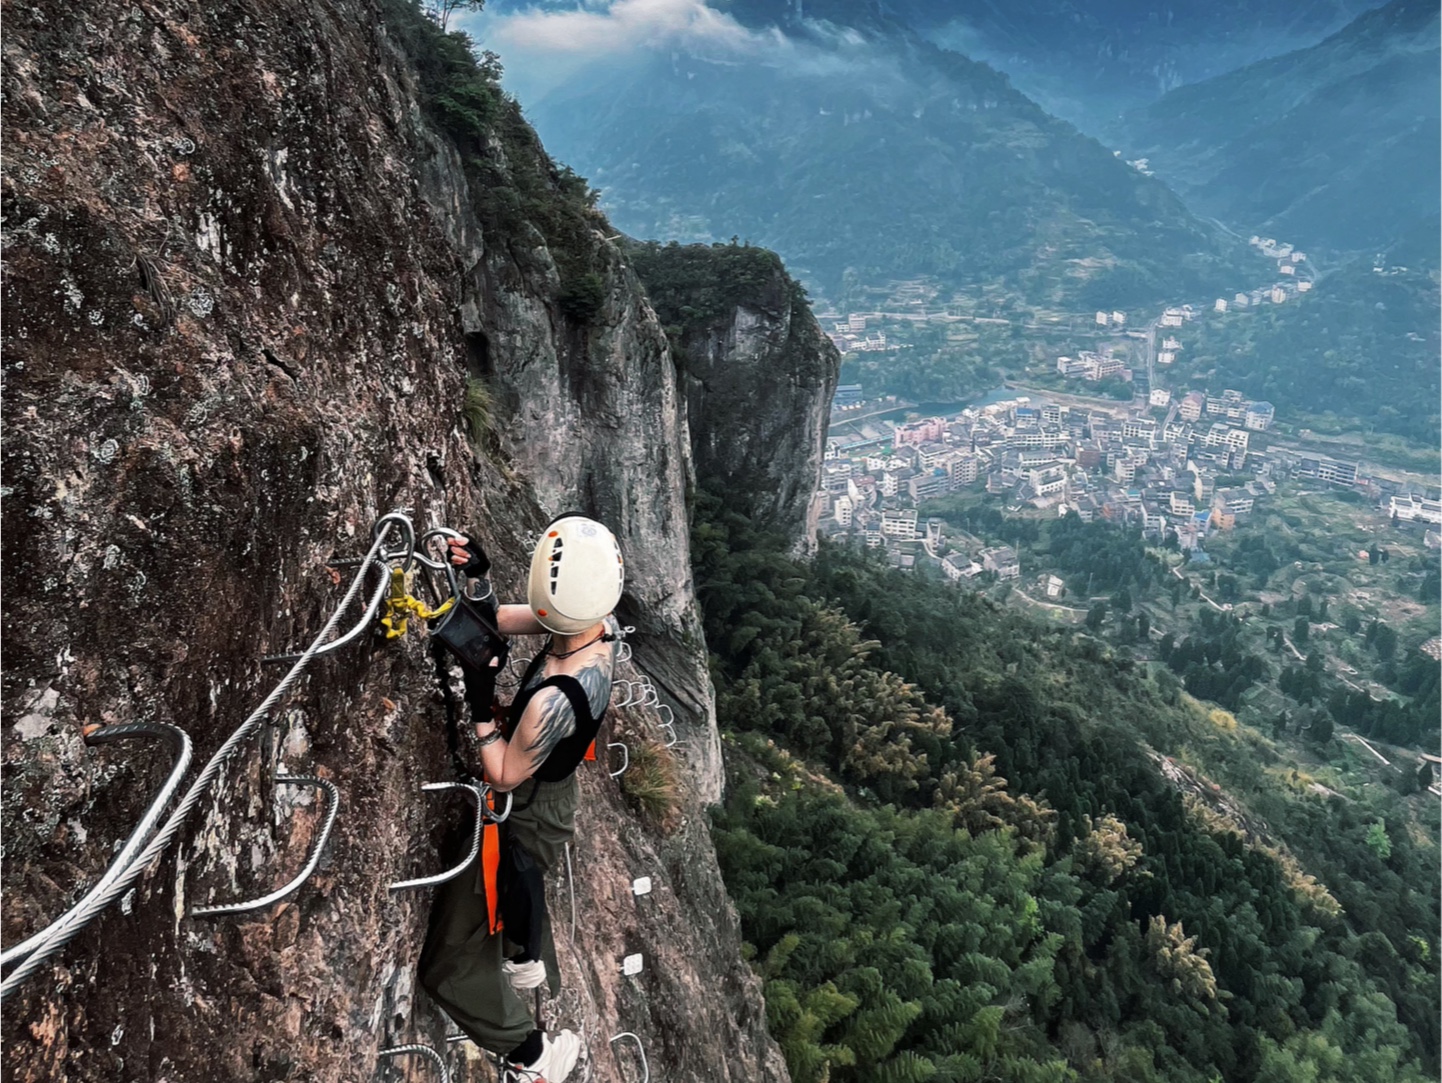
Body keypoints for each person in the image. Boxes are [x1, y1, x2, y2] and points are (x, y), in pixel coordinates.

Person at [418, 513, 624, 1083]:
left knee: (450, 963)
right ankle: (526, 959)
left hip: (527, 805)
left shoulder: (561, 696)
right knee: (518, 890)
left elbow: (503, 773)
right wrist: (478, 580)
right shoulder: (588, 622)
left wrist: (480, 702)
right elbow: (504, 619)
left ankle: (533, 1056)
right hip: (545, 798)